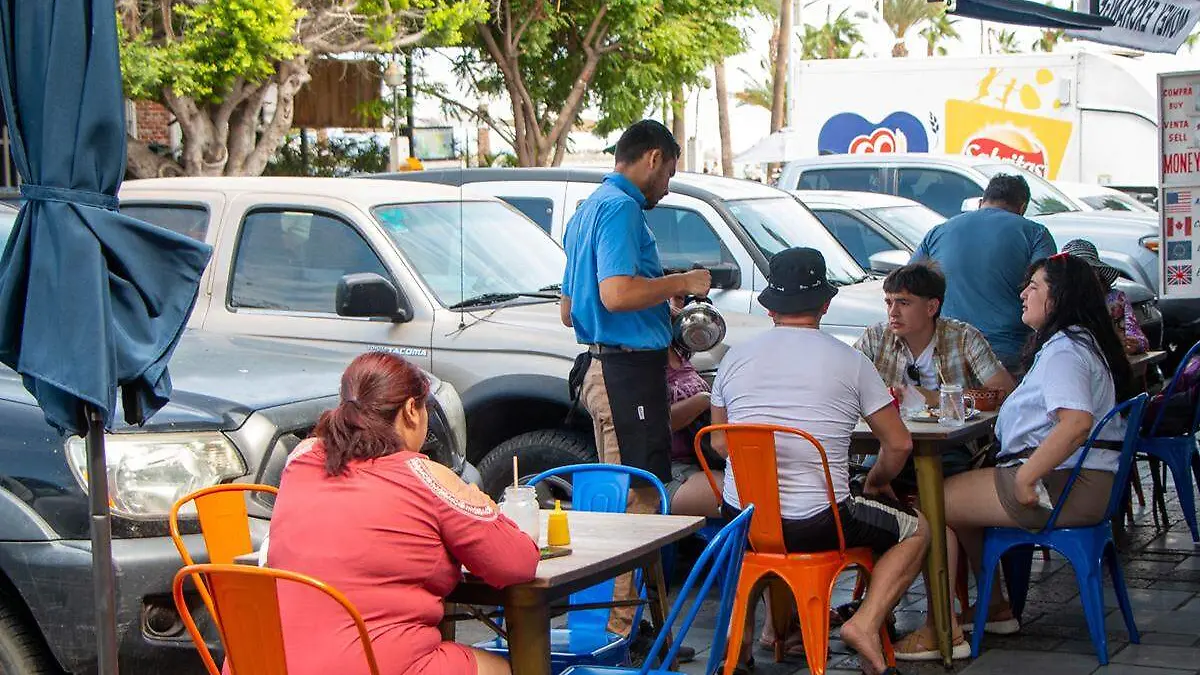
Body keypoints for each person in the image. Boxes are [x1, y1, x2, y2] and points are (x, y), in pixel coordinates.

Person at [894, 253, 1135, 660]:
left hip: (1062, 486)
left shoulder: (1066, 350)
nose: (1023, 294)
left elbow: (1075, 423)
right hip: (1081, 483)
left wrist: (1026, 478)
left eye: (1034, 287)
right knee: (955, 500)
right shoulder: (1079, 342)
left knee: (930, 506)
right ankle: (994, 608)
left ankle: (940, 631)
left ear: (1059, 297)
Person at [710, 247, 930, 675]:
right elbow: (899, 444)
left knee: (756, 536)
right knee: (917, 529)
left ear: (770, 306)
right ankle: (864, 624)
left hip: (744, 521)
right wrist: (876, 482)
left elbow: (720, 444)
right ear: (826, 304)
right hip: (819, 521)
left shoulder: (733, 359)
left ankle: (739, 650)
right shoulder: (851, 360)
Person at [266, 352, 540, 675]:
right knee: (508, 668)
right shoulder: (425, 477)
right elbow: (517, 563)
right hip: (374, 665)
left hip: (264, 661)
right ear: (412, 409)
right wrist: (481, 505)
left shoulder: (302, 458)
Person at [559, 119, 711, 637]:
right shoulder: (621, 209)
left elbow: (569, 308)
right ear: (650, 158)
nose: (667, 186)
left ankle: (637, 625)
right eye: (669, 172)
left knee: (632, 497)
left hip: (610, 365)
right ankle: (620, 633)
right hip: (624, 372)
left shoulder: (586, 211)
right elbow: (616, 294)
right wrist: (682, 281)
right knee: (638, 500)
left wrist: (658, 304)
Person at [855, 261, 1016, 481]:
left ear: (931, 307)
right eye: (889, 302)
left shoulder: (963, 337)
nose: (893, 312)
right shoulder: (876, 337)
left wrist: (939, 399)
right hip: (888, 442)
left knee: (944, 483)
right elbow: (844, 384)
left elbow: (1004, 392)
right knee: (867, 482)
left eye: (903, 303)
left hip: (950, 445)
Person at [912, 174, 1057, 373]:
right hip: (1007, 353)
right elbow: (1049, 292)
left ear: (981, 201)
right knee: (1003, 404)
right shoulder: (1035, 234)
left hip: (948, 351)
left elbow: (910, 285)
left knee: (949, 403)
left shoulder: (938, 232)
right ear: (1022, 207)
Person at [665, 297, 723, 518]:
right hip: (673, 472)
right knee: (750, 495)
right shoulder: (646, 361)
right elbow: (657, 423)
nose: (678, 309)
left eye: (681, 299)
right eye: (673, 300)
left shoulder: (680, 352)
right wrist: (703, 400)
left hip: (705, 462)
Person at [1060, 238, 1148, 355]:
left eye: (1090, 270)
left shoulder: (1116, 300)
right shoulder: (1058, 303)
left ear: (1098, 273)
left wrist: (1135, 345)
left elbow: (1140, 340)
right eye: (1077, 273)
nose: (1083, 278)